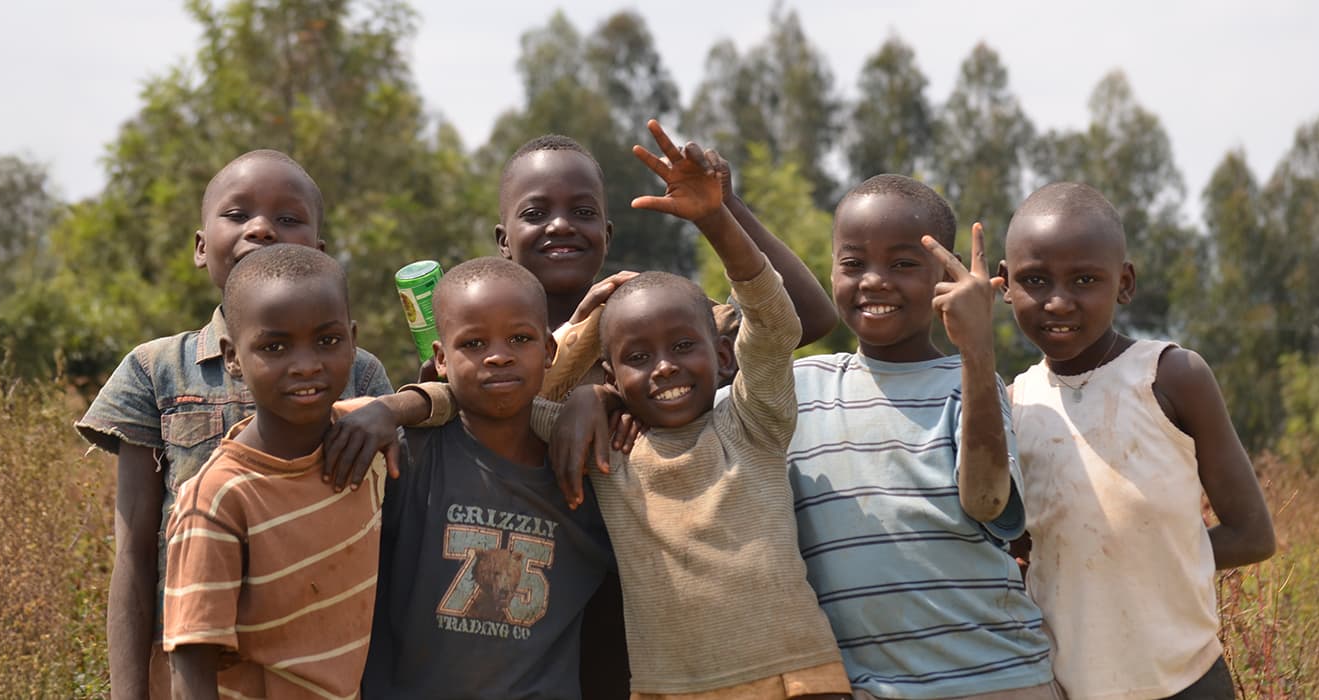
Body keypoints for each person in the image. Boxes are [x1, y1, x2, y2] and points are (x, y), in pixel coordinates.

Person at [73, 150, 396, 699]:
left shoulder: (358, 372)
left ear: (318, 251)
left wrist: (402, 408)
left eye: (288, 218)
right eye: (238, 214)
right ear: (201, 247)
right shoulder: (155, 370)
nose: (263, 228)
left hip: (323, 666)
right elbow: (133, 554)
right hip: (188, 666)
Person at [545, 120, 848, 699]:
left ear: (725, 357)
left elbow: (778, 321)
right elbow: (509, 405)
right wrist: (589, 378)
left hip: (796, 681)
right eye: (637, 356)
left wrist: (716, 216)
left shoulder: (754, 421)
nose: (662, 366)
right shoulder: (604, 444)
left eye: (684, 346)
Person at [999, 183, 1276, 700]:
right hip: (1071, 687)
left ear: (1124, 283)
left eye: (1085, 279)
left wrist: (1150, 556)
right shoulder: (1014, 404)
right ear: (1005, 285)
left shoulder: (1170, 377)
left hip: (1187, 681)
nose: (1058, 300)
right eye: (1035, 280)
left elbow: (1252, 534)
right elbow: (1020, 551)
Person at [786, 175, 1058, 699]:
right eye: (853, 263)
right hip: (873, 688)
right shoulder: (801, 389)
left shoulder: (968, 386)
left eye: (904, 264)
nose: (875, 281)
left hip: (998, 679)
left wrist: (977, 349)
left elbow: (986, 500)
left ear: (945, 273)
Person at [354, 257, 619, 699]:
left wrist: (604, 396)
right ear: (440, 358)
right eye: (474, 343)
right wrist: (396, 406)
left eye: (520, 338)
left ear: (549, 351)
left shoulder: (592, 470)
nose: (498, 356)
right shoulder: (407, 458)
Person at [159, 243, 388, 699]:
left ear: (353, 339)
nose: (306, 366)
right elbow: (191, 662)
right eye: (275, 346)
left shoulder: (366, 435)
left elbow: (459, 399)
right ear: (232, 357)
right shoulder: (220, 496)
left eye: (327, 341)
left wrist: (403, 406)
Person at [491, 134, 837, 401]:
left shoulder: (655, 319)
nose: (561, 226)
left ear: (607, 235)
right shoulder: (484, 341)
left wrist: (722, 211)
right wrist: (576, 339)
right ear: (504, 241)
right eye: (536, 214)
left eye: (583, 213)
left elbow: (807, 317)